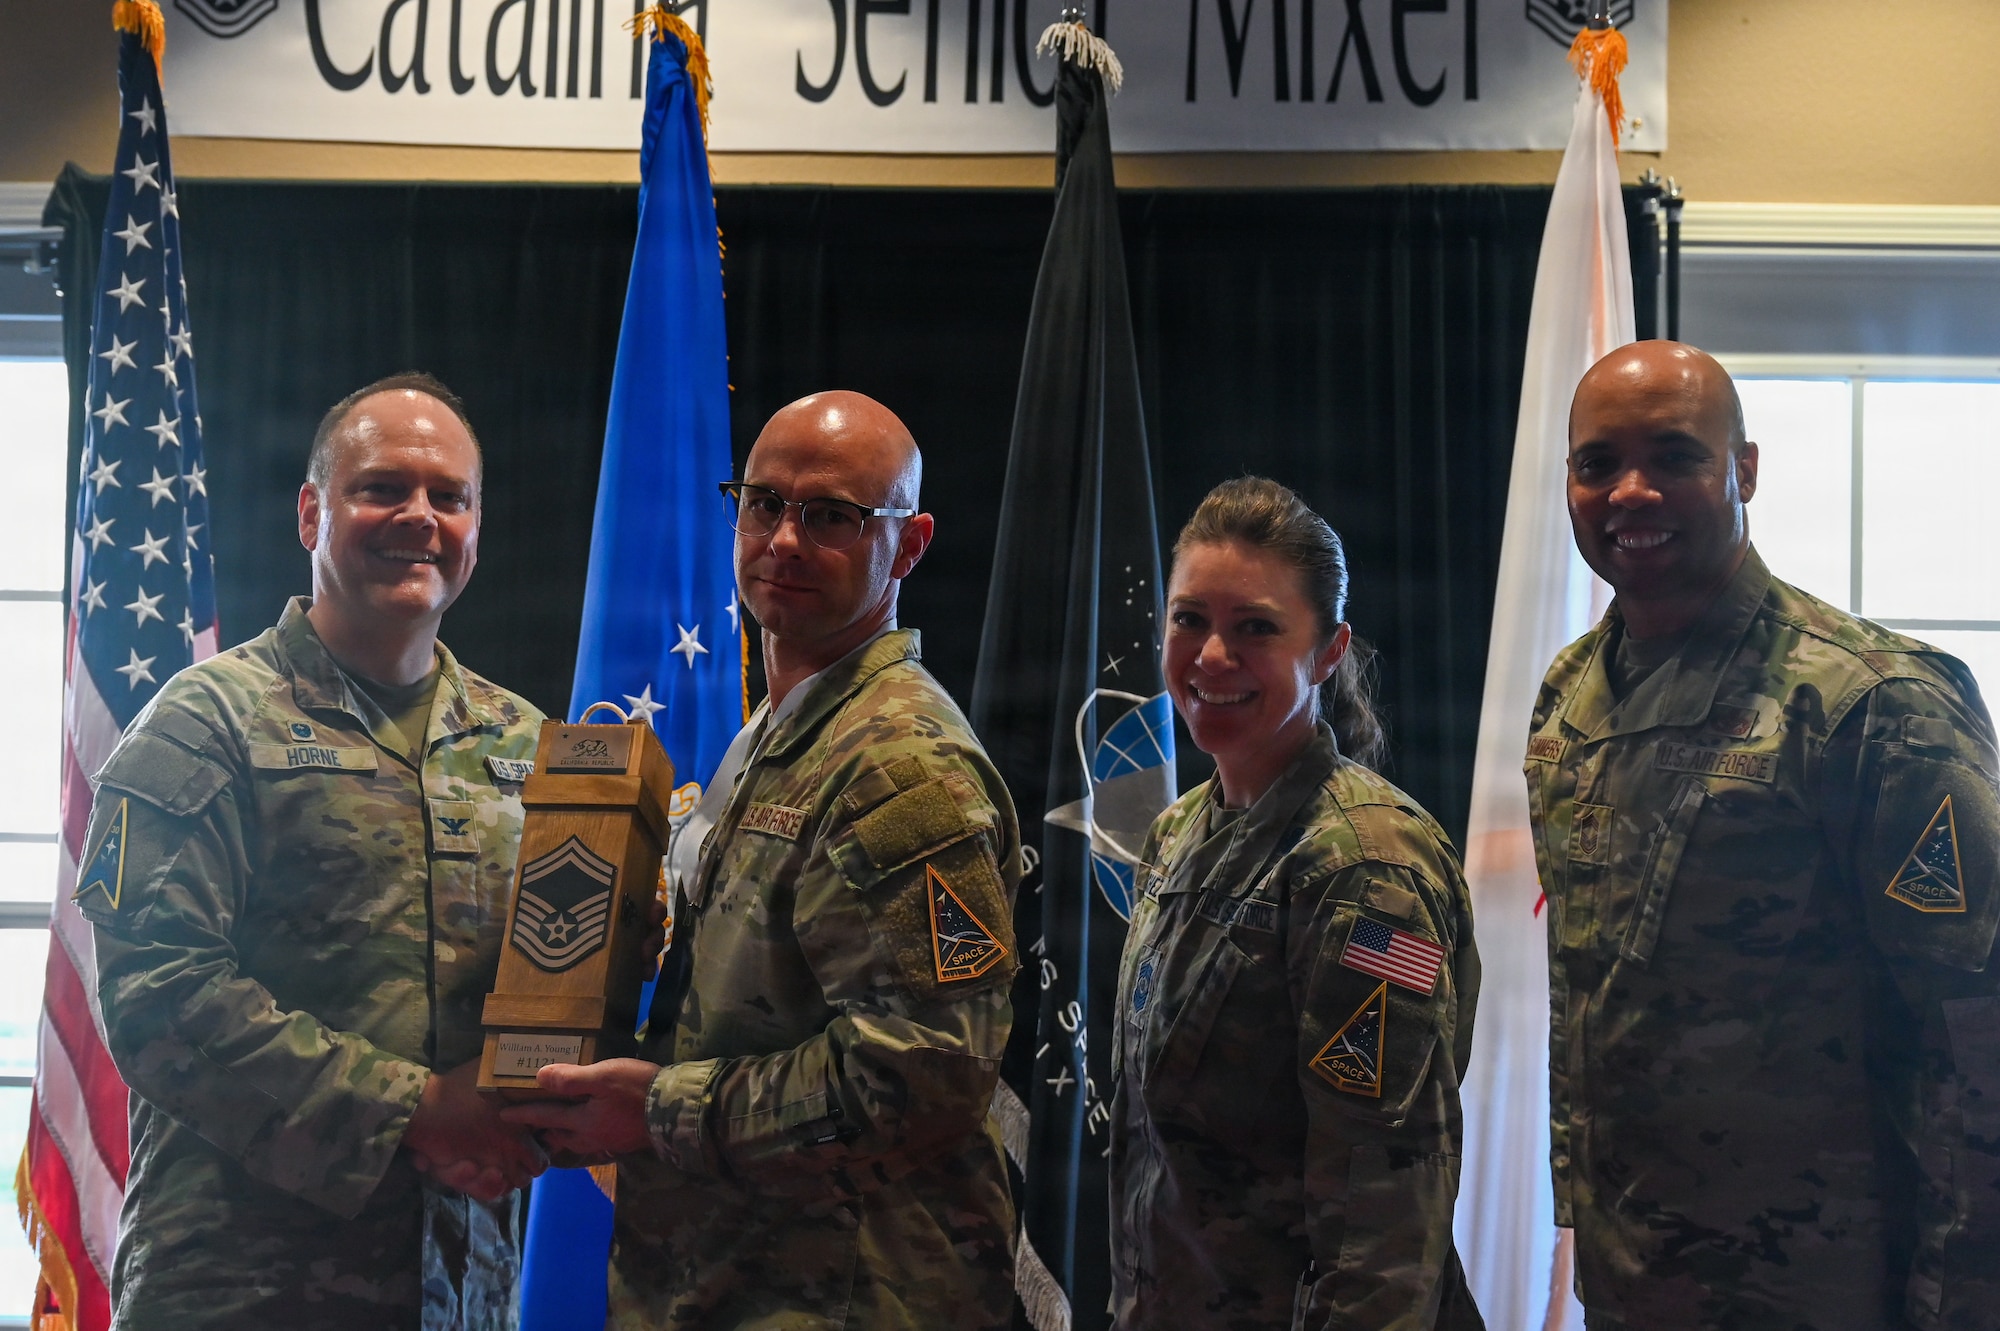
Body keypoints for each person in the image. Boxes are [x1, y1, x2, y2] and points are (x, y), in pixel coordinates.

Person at [504, 391, 1022, 1329]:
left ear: (907, 546)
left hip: (848, 1295)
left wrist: (658, 1110)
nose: (783, 540)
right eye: (762, 503)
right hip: (734, 1282)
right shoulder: (787, 732)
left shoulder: (902, 769)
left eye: (831, 516)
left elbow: (921, 1076)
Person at [1529, 340, 2000, 1329]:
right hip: (1630, 1277)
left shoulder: (1871, 702)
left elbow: (1974, 1041)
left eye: (1672, 456)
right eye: (1595, 462)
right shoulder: (1567, 700)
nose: (1629, 491)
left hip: (1825, 1288)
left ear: (1743, 468)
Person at [74, 373, 548, 1330]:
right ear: (310, 512)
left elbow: (558, 980)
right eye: (383, 488)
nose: (419, 516)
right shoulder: (207, 724)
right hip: (240, 1287)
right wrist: (415, 1110)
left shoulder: (528, 746)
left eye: (448, 496)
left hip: (462, 1286)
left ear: (476, 526)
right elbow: (158, 994)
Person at [1110, 476, 1484, 1330]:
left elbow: (1385, 1224)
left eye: (1256, 629)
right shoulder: (1176, 837)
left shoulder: (1364, 866)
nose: (1211, 656)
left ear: (1327, 651)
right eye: (1189, 619)